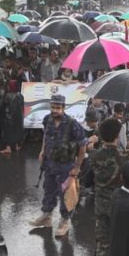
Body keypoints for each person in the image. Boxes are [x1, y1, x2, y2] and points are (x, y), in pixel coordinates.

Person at [29, 94, 87, 237]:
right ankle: (47, 216)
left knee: (66, 194)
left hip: (66, 166)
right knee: (48, 189)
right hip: (49, 163)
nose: (54, 110)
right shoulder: (47, 119)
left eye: (57, 108)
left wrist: (77, 167)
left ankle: (64, 221)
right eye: (52, 107)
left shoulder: (72, 124)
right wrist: (43, 150)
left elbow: (83, 146)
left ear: (63, 107)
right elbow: (46, 136)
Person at [88, 118, 129, 256]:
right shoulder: (126, 156)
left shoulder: (94, 156)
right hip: (120, 205)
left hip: (101, 205)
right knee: (122, 240)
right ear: (117, 135)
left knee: (103, 243)